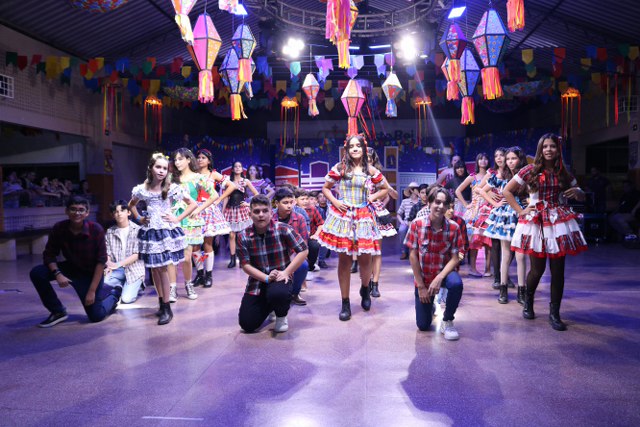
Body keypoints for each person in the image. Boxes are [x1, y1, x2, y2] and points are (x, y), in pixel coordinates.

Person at [504, 133, 588, 331]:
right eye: (545, 146)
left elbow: (582, 196)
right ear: (540, 149)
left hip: (558, 222)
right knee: (537, 270)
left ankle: (554, 313)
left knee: (558, 271)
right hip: (536, 221)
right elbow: (507, 191)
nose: (549, 150)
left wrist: (579, 192)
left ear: (558, 150)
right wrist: (521, 211)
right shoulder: (529, 170)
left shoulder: (564, 173)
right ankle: (528, 301)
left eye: (553, 146)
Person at [318, 134, 387, 321]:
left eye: (358, 146)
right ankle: (345, 302)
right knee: (345, 261)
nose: (355, 149)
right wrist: (335, 202)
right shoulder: (340, 168)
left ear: (363, 149)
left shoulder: (370, 170)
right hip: (344, 216)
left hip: (363, 216)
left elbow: (384, 188)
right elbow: (325, 188)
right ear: (347, 150)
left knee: (365, 259)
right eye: (351, 146)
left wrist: (372, 198)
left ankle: (365, 288)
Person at [29, 196, 121, 327]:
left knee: (96, 316)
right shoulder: (59, 228)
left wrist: (92, 291)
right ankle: (58, 311)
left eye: (81, 210)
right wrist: (57, 274)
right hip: (71, 268)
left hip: (90, 274)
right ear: (66, 211)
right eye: (73, 209)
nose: (77, 213)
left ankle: (113, 294)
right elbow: (49, 255)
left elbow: (101, 262)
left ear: (87, 213)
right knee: (37, 273)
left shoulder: (96, 230)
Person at [129, 153, 197, 325]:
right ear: (151, 168)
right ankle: (161, 302)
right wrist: (139, 218)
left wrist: (177, 218)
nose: (161, 171)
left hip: (165, 231)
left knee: (163, 269)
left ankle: (167, 307)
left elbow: (193, 204)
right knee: (154, 269)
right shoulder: (142, 189)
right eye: (158, 167)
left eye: (164, 168)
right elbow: (131, 205)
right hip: (150, 231)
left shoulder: (171, 188)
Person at [236, 195, 309, 334]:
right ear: (250, 214)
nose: (261, 215)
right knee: (247, 324)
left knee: (278, 293)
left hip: (280, 278)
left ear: (271, 213)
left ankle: (281, 315)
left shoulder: (283, 229)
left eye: (265, 211)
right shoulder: (243, 236)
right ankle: (270, 305)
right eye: (256, 211)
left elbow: (303, 250)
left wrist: (287, 272)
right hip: (258, 281)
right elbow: (245, 265)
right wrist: (266, 278)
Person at [405, 187, 464, 341]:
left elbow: (455, 258)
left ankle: (447, 320)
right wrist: (421, 286)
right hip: (424, 277)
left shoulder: (454, 227)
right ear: (429, 203)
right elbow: (412, 256)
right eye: (437, 202)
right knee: (423, 325)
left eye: (445, 204)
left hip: (444, 273)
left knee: (456, 283)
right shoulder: (417, 224)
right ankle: (430, 306)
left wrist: (439, 277)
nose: (440, 206)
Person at [480, 147, 529, 304]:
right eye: (508, 159)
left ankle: (522, 291)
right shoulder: (501, 175)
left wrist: (528, 204)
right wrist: (495, 203)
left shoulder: (526, 175)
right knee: (506, 255)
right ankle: (503, 289)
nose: (510, 162)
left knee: (521, 256)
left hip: (522, 214)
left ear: (520, 159)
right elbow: (481, 190)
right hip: (506, 217)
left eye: (513, 158)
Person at [193, 149, 235, 287]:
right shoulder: (192, 174)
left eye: (203, 157)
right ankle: (200, 274)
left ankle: (208, 274)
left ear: (209, 160)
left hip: (208, 210)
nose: (200, 160)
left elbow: (232, 186)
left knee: (207, 244)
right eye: (198, 157)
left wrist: (219, 199)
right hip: (194, 210)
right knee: (194, 245)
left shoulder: (213, 174)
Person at [367, 147, 398, 298]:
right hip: (359, 213)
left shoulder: (377, 175)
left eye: (369, 157)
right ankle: (366, 282)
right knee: (364, 251)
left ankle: (375, 284)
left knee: (377, 251)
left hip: (375, 213)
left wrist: (388, 189)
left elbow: (393, 194)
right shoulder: (353, 173)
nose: (366, 160)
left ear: (373, 160)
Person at [456, 152, 492, 277]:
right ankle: (472, 268)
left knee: (489, 242)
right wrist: (466, 205)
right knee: (474, 242)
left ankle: (488, 270)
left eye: (485, 159)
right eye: (480, 159)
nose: (483, 161)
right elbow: (458, 191)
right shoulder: (472, 177)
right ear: (477, 162)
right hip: (475, 212)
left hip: (488, 210)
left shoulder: (491, 175)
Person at [104, 200, 146, 304]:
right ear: (113, 215)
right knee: (103, 284)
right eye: (116, 211)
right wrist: (109, 265)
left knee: (126, 299)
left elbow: (137, 255)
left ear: (128, 212)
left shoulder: (138, 230)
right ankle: (121, 285)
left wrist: (117, 264)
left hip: (134, 270)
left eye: (122, 210)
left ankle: (136, 286)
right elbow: (107, 252)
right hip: (117, 270)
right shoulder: (110, 231)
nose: (119, 214)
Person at [273, 188, 309, 306]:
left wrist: (294, 257)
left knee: (303, 264)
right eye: (285, 203)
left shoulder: (300, 218)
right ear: (277, 203)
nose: (289, 206)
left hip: (294, 254)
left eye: (291, 202)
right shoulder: (270, 217)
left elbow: (304, 245)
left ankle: (295, 293)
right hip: (274, 256)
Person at [224, 161, 259, 268]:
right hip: (230, 210)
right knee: (231, 235)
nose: (238, 168)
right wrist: (223, 211)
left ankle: (243, 258)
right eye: (236, 166)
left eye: (240, 166)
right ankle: (232, 259)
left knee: (242, 235)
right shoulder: (228, 181)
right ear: (233, 169)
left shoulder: (245, 181)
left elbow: (256, 194)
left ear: (242, 169)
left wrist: (249, 204)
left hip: (241, 210)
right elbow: (226, 197)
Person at [296, 188, 324, 274]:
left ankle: (310, 267)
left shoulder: (312, 209)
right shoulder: (292, 210)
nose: (305, 201)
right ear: (296, 200)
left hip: (309, 237)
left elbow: (321, 224)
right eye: (302, 199)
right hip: (296, 238)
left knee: (315, 245)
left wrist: (316, 234)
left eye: (307, 199)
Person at [397, 181, 420, 260]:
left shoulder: (421, 201)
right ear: (411, 190)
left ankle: (417, 251)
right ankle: (404, 251)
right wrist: (402, 222)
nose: (417, 190)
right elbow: (398, 214)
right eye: (416, 189)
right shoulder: (405, 201)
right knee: (402, 230)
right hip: (407, 222)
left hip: (418, 222)